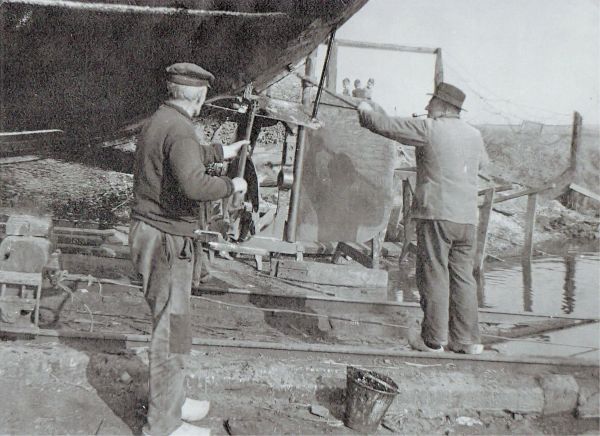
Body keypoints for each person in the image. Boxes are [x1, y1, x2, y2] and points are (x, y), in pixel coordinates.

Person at [130, 62, 248, 436]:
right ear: (198, 97)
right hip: (166, 241)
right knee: (170, 334)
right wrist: (234, 186)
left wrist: (219, 151)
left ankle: (174, 402)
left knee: (176, 327)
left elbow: (181, 155)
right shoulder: (181, 130)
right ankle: (163, 426)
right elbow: (194, 185)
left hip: (155, 233)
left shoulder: (160, 119)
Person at [357, 82, 488, 355]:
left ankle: (433, 341)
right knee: (463, 277)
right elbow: (483, 169)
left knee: (434, 275)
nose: (427, 108)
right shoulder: (475, 135)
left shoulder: (430, 128)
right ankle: (466, 341)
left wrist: (365, 110)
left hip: (438, 215)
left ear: (443, 106)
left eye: (431, 103)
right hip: (467, 219)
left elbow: (387, 126)